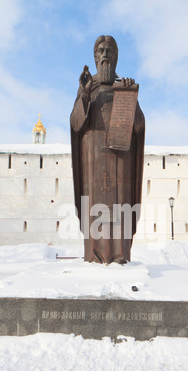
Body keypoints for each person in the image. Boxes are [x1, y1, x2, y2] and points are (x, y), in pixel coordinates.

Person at [70, 35, 145, 264]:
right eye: (100, 51)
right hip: (92, 156)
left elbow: (139, 126)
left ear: (116, 57)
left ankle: (119, 254)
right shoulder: (87, 87)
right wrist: (84, 96)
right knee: (94, 205)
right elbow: (75, 123)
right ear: (94, 57)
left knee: (120, 204)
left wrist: (131, 98)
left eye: (109, 51)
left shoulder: (124, 87)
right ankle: (94, 255)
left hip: (120, 156)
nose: (104, 55)